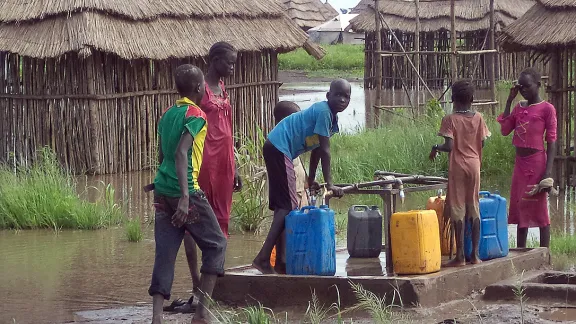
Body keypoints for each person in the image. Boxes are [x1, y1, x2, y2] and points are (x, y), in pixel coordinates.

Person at [149, 64, 227, 324]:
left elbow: (163, 156)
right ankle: (202, 314)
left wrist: (159, 183)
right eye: (204, 85)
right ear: (199, 88)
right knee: (216, 244)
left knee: (165, 253)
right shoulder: (197, 115)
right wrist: (184, 196)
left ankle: (157, 318)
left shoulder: (167, 113)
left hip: (162, 192)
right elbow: (181, 153)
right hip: (187, 193)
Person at [252, 79, 351, 274]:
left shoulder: (331, 120)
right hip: (279, 148)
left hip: (279, 149)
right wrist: (330, 183)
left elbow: (315, 150)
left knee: (285, 208)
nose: (342, 99)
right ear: (327, 96)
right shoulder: (323, 111)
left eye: (346, 96)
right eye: (337, 95)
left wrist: (310, 178)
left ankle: (281, 261)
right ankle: (263, 258)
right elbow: (325, 150)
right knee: (287, 207)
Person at [170, 42, 240, 313]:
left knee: (221, 221)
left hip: (224, 163)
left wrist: (236, 166)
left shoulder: (222, 88)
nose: (232, 68)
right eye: (228, 63)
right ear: (213, 60)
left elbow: (228, 128)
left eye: (234, 63)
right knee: (195, 224)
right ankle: (197, 286)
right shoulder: (199, 91)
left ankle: (211, 287)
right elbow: (188, 125)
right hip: (203, 164)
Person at [430, 79, 491, 267]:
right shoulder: (479, 118)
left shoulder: (450, 119)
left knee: (457, 209)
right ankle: (475, 256)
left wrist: (435, 147)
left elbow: (448, 146)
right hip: (474, 165)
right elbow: (483, 142)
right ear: (472, 98)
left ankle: (460, 257)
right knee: (473, 206)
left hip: (457, 166)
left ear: (452, 98)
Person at [497, 67, 557, 248]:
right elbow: (505, 130)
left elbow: (552, 141)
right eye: (520, 87)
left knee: (539, 209)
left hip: (537, 163)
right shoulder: (518, 107)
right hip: (520, 165)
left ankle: (544, 252)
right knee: (520, 206)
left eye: (527, 86)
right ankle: (521, 253)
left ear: (538, 85)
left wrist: (547, 173)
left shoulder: (547, 109)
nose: (523, 90)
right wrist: (509, 100)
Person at [269, 101, 310, 274]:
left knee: (297, 226)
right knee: (284, 223)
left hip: (301, 194)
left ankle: (290, 258)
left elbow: (300, 170)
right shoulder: (279, 147)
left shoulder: (290, 143)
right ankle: (282, 260)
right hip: (289, 196)